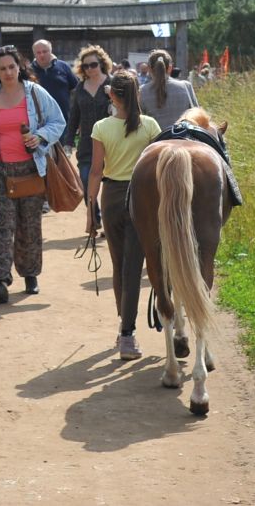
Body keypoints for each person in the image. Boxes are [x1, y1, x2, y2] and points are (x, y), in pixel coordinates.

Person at [0, 44, 66, 304]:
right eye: (3, 68)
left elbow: (58, 121)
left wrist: (40, 136)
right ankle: (0, 279)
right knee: (4, 224)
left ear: (20, 67)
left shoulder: (35, 93)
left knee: (29, 224)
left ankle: (30, 274)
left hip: (31, 167)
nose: (9, 72)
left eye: (12, 66)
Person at [86, 68, 160, 361]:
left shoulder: (101, 127)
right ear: (136, 94)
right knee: (135, 266)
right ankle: (127, 333)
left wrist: (91, 210)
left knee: (120, 267)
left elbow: (95, 172)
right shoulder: (151, 126)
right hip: (144, 198)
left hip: (113, 197)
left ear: (112, 95)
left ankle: (124, 328)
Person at [64, 45, 114, 229]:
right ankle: (94, 217)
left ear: (101, 63)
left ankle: (111, 224)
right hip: (86, 145)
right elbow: (73, 118)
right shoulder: (79, 89)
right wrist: (68, 143)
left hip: (112, 144)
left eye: (93, 64)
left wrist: (113, 96)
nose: (90, 69)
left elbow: (126, 111)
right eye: (85, 66)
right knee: (86, 182)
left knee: (111, 188)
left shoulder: (114, 84)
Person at [28, 39, 79, 139]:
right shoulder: (28, 71)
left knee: (62, 152)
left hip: (62, 119)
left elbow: (76, 89)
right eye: (38, 52)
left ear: (50, 51)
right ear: (34, 54)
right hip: (37, 122)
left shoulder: (63, 67)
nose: (42, 55)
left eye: (45, 51)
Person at [136, 48, 197, 128]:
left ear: (149, 69)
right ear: (170, 68)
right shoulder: (186, 86)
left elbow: (139, 122)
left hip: (155, 139)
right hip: (183, 136)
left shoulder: (142, 91)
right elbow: (197, 116)